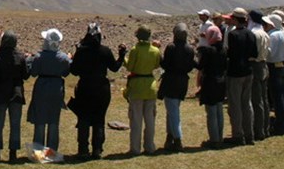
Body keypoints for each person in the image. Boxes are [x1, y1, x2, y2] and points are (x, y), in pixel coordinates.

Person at [69, 23, 125, 159]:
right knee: (99, 119)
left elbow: (74, 70)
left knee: (83, 118)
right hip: (101, 88)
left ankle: (83, 149)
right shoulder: (105, 51)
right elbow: (115, 67)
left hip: (85, 87)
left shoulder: (82, 51)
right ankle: (97, 149)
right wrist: (122, 55)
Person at [27, 28, 71, 153]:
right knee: (54, 120)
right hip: (57, 88)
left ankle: (38, 150)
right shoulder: (63, 58)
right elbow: (66, 72)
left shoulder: (39, 56)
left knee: (40, 119)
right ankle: (52, 151)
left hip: (41, 87)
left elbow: (33, 73)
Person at [0, 30, 30, 162]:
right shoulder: (20, 55)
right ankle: (13, 154)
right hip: (16, 93)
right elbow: (25, 75)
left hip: (0, 93)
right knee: (15, 124)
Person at [125, 24, 162, 156]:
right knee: (150, 120)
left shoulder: (135, 50)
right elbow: (157, 64)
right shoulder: (155, 51)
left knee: (136, 120)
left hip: (136, 86)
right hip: (150, 86)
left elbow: (130, 67)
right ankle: (150, 146)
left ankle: (135, 149)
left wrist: (123, 58)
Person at [158, 23, 195, 152]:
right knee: (172, 110)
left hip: (170, 82)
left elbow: (165, 65)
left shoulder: (171, 47)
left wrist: (159, 56)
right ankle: (170, 138)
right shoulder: (190, 49)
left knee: (173, 112)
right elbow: (191, 66)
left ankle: (178, 139)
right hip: (183, 82)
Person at [225, 7, 258, 145]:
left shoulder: (233, 35)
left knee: (235, 105)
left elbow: (230, 55)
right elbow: (254, 54)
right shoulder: (251, 34)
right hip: (248, 72)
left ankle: (238, 135)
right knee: (247, 103)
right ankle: (249, 134)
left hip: (235, 73)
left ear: (235, 19)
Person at [195, 24, 226, 148]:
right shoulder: (223, 49)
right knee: (219, 109)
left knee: (211, 111)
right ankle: (219, 136)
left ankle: (214, 139)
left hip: (210, 81)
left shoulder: (208, 50)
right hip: (221, 81)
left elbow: (200, 66)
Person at [265, 14, 284, 136]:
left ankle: (280, 125)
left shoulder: (273, 35)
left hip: (273, 66)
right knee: (282, 95)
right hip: (282, 64)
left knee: (277, 96)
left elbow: (269, 53)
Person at [248, 10, 271, 141]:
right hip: (263, 65)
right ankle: (265, 128)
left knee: (256, 100)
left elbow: (252, 53)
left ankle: (258, 130)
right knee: (263, 99)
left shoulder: (254, 34)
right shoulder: (264, 33)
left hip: (255, 66)